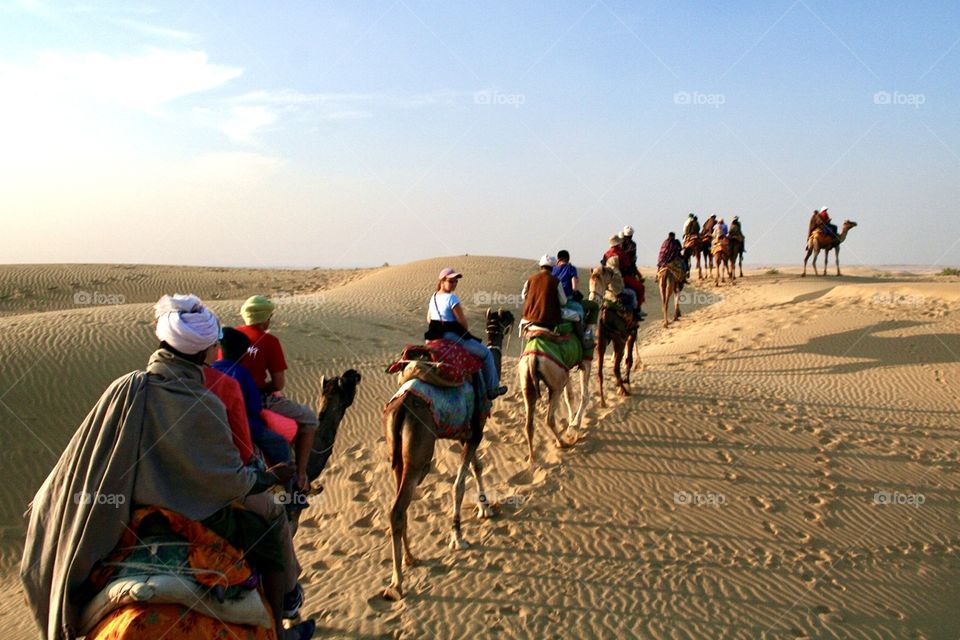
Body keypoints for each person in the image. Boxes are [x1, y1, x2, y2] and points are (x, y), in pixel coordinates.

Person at [21, 294, 314, 640]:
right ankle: (280, 623)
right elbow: (228, 483)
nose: (214, 351)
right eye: (211, 346)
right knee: (271, 521)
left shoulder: (124, 390)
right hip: (198, 512)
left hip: (126, 509)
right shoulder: (203, 403)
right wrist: (267, 477)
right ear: (203, 353)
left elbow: (85, 458)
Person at [236, 295, 318, 495]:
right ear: (265, 318)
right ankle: (300, 477)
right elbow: (279, 383)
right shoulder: (269, 341)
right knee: (309, 419)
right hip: (258, 398)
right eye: (269, 317)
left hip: (227, 397)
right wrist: (265, 386)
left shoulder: (230, 337)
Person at [426, 267, 507, 399]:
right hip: (451, 337)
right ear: (442, 281)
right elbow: (463, 322)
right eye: (451, 281)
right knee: (487, 353)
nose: (454, 283)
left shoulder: (433, 297)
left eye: (456, 281)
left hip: (433, 337)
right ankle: (492, 388)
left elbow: (429, 319)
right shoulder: (452, 298)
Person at [553, 250, 599, 343]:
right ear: (568, 259)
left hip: (554, 302)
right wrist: (576, 291)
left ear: (558, 259)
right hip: (568, 300)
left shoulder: (553, 269)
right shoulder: (571, 268)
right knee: (594, 306)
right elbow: (574, 287)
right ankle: (587, 333)